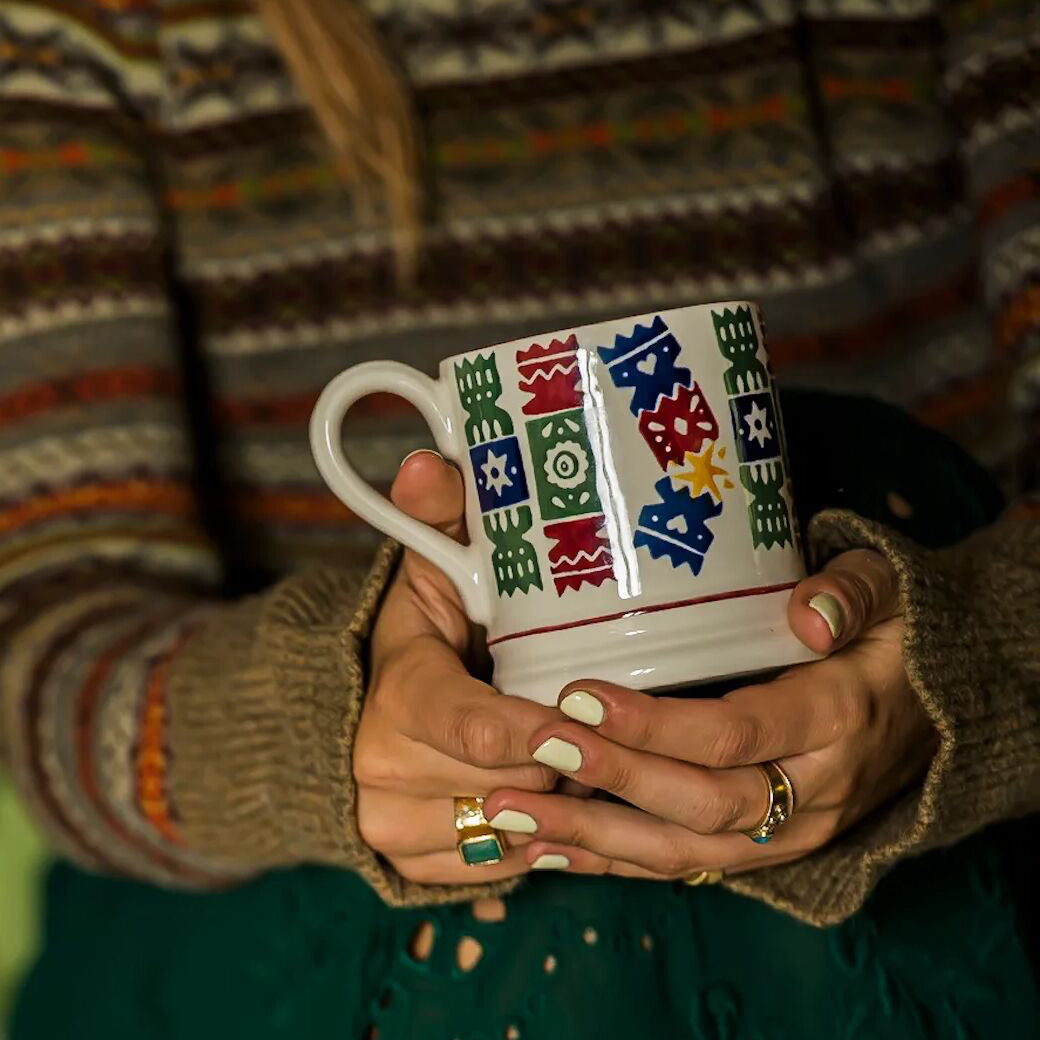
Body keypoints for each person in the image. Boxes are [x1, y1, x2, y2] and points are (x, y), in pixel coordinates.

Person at [0, 0, 1037, 1037]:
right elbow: (51, 661)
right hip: (312, 924)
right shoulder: (99, 30)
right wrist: (328, 726)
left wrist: (968, 660)